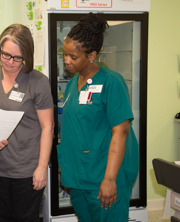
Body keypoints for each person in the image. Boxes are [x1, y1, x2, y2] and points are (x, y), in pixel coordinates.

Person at [57, 12, 139, 222]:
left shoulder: (112, 82)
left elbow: (121, 132)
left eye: (73, 57)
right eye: (64, 54)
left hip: (104, 176)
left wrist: (110, 180)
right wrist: (68, 174)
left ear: (91, 55)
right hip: (79, 177)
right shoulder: (72, 86)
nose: (67, 61)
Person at [0, 24, 55, 222]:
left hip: (27, 170)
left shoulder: (38, 82)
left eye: (17, 57)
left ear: (27, 56)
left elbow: (48, 127)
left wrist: (41, 168)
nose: (10, 62)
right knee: (2, 218)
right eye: (6, 55)